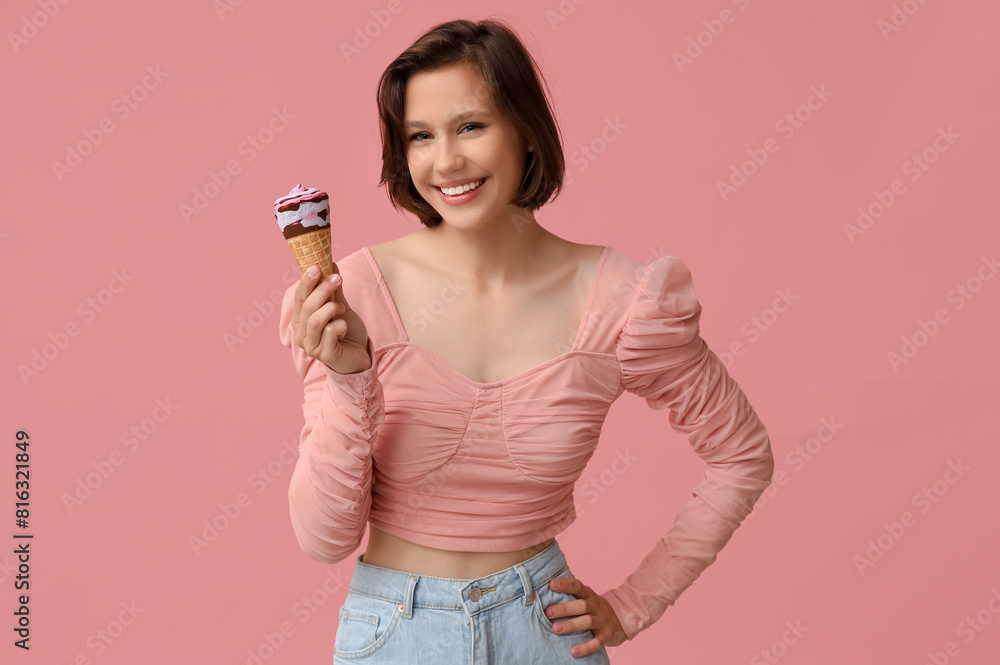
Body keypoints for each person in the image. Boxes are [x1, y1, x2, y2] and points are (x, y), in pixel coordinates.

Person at [277, 17, 774, 664]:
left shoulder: (622, 300)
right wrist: (349, 377)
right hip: (395, 634)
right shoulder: (353, 296)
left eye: (471, 126)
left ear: (526, 130)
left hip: (544, 633)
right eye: (420, 137)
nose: (446, 160)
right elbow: (324, 537)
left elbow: (743, 455)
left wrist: (631, 606)